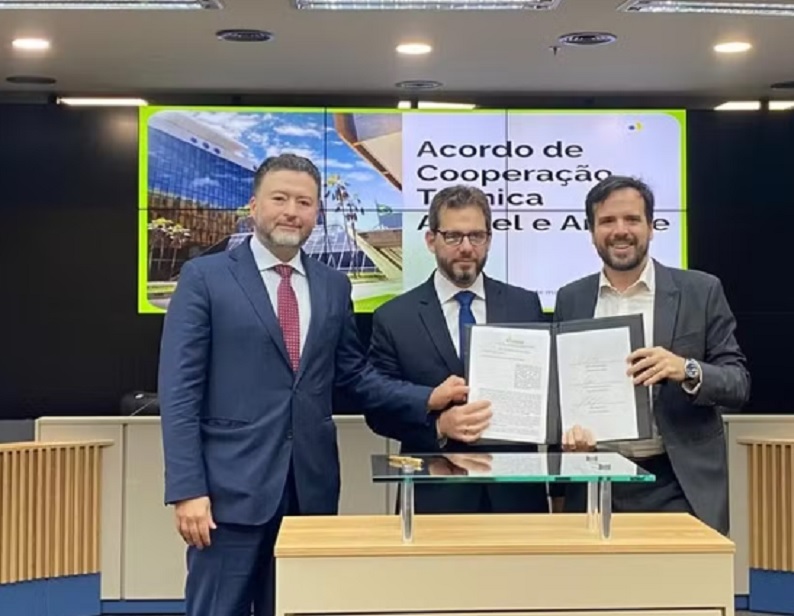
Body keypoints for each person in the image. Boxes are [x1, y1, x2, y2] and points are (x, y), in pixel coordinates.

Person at [158, 154, 468, 616]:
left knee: (298, 608)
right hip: (227, 495)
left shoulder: (332, 286)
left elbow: (354, 376)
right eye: (279, 198)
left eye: (304, 202)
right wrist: (187, 489)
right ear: (254, 205)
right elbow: (180, 391)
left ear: (317, 212)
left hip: (309, 491)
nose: (292, 211)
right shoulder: (205, 278)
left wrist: (427, 398)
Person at [555, 175, 750, 534]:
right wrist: (569, 431)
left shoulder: (700, 291)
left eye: (632, 219)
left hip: (677, 483)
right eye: (607, 221)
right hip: (595, 481)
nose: (620, 230)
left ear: (651, 226)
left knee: (682, 574)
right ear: (591, 231)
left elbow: (738, 384)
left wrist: (686, 369)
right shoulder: (571, 298)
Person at [367, 185, 550, 514]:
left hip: (517, 498)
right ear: (431, 240)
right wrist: (438, 426)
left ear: (489, 240)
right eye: (453, 236)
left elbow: (547, 392)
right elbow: (379, 408)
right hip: (435, 500)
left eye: (476, 236)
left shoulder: (525, 305)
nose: (466, 247)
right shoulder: (394, 318)